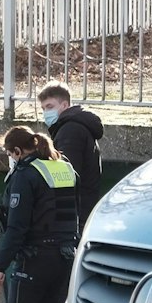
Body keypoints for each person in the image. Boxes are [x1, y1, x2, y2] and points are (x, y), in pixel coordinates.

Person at [0, 127, 78, 303]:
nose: (11, 159)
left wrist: (0, 267)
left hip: (35, 259)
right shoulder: (64, 168)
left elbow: (17, 227)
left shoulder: (25, 175)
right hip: (65, 258)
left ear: (17, 151)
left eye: (10, 154)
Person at [38, 81, 104, 225]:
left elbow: (66, 174)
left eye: (50, 106)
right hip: (83, 207)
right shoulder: (74, 127)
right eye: (43, 108)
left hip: (74, 213)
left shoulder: (69, 131)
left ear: (65, 105)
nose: (46, 113)